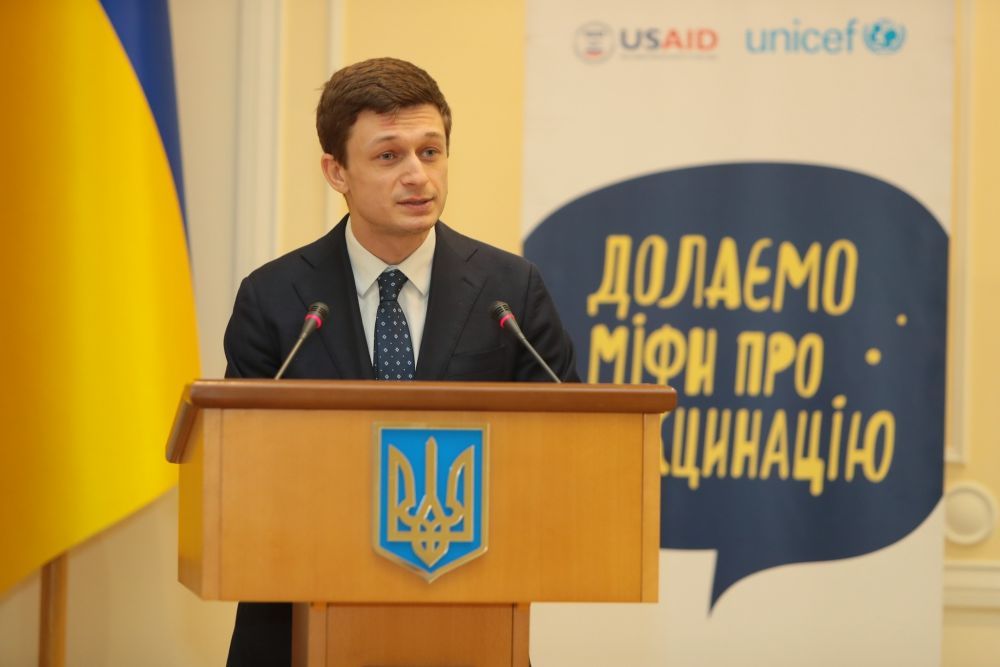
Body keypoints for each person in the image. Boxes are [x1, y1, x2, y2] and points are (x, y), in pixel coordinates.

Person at [222, 57, 579, 666]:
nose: (418, 176)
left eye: (430, 152)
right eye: (389, 156)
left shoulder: (509, 291)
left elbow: (569, 443)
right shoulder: (275, 297)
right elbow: (241, 467)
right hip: (299, 622)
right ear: (337, 171)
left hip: (468, 617)